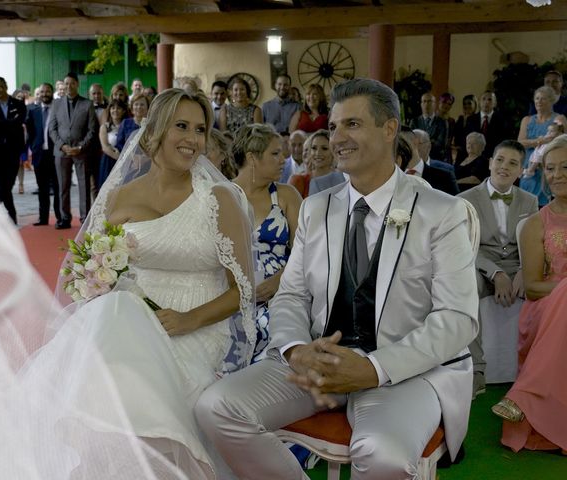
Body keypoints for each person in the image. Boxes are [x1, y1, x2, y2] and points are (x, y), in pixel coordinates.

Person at [196, 78, 478, 480]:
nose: (337, 138)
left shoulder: (442, 212)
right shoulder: (316, 208)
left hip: (404, 371)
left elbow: (457, 318)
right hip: (317, 362)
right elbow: (291, 294)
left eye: (352, 125)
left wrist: (373, 369)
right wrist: (296, 350)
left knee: (383, 455)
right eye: (333, 127)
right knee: (216, 408)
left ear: (389, 129)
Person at [0, 112, 189, 480]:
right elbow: (100, 247)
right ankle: (89, 437)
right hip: (129, 296)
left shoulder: (205, 197)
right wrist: (97, 276)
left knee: (111, 331)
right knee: (101, 332)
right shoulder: (122, 197)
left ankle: (116, 437)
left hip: (171, 299)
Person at [60, 87, 256, 477]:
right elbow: (84, 269)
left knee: (132, 382)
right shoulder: (118, 197)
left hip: (195, 324)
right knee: (114, 324)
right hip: (131, 319)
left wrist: (188, 320)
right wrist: (95, 281)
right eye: (181, 126)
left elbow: (243, 292)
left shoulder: (219, 199)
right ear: (154, 132)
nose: (193, 139)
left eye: (200, 129)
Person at [491, 134, 567, 455]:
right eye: (550, 168)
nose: (557, 174)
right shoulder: (535, 223)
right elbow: (533, 286)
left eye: (565, 167)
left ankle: (523, 396)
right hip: (545, 309)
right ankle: (526, 397)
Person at [459, 140, 538, 398]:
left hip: (519, 264)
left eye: (513, 163)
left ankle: (536, 372)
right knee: (464, 286)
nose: (505, 167)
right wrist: (496, 272)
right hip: (482, 266)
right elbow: (468, 247)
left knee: (546, 291)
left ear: (520, 170)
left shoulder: (530, 200)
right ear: (491, 163)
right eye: (500, 160)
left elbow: (533, 242)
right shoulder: (464, 200)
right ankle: (476, 372)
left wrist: (525, 271)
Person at [231, 123, 302, 361]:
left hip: (280, 294)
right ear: (252, 158)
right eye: (275, 153)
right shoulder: (222, 196)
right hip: (232, 297)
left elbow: (307, 250)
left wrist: (278, 281)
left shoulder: (286, 195)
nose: (284, 159)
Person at [48, 72, 99, 228]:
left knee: (84, 185)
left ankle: (85, 219)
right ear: (63, 85)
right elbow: (52, 129)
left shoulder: (87, 104)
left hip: (81, 151)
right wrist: (62, 146)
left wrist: (80, 147)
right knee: (63, 186)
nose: (69, 86)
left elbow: (92, 129)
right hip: (61, 151)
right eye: (66, 84)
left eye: (72, 83)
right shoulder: (56, 104)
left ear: (77, 84)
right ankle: (64, 218)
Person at [0, 76, 28, 224]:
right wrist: (8, 123)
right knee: (3, 184)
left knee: (8, 183)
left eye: (0, 87)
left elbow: (18, 122)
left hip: (13, 150)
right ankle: (12, 215)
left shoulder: (18, 104)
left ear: (6, 87)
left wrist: (0, 123)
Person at [519, 86, 567, 206]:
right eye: (537, 98)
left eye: (543, 99)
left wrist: (534, 143)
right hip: (528, 166)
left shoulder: (559, 119)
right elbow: (519, 143)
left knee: (547, 204)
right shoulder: (527, 120)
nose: (539, 101)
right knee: (526, 203)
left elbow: (563, 141)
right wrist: (539, 141)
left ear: (552, 101)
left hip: (548, 166)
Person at [25, 82, 61, 226]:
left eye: (47, 91)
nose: (45, 94)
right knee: (42, 188)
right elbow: (30, 131)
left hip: (56, 153)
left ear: (52, 93)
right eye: (42, 92)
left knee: (58, 187)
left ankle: (61, 217)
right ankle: (43, 218)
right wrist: (33, 148)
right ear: (38, 94)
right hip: (40, 154)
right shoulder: (33, 110)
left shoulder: (58, 110)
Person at [465, 91, 509, 158]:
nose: (486, 102)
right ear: (479, 102)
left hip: (492, 158)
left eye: (490, 99)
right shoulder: (471, 119)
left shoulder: (502, 121)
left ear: (495, 103)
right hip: (473, 157)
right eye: (484, 99)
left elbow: (503, 143)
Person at [98, 99, 129, 187]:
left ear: (123, 111)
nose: (115, 110)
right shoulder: (105, 127)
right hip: (109, 161)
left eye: (118, 108)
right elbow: (105, 147)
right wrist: (120, 159)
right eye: (113, 108)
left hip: (127, 160)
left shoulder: (129, 125)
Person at [409, 92, 448, 160]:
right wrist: (430, 141)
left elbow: (441, 144)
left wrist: (421, 142)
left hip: (436, 158)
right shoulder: (414, 122)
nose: (427, 104)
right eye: (424, 101)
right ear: (421, 104)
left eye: (430, 101)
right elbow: (411, 140)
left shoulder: (442, 123)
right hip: (417, 158)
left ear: (435, 104)